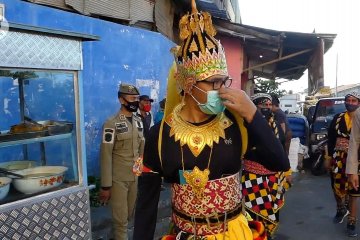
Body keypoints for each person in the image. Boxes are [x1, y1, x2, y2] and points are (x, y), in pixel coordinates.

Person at [133, 1, 289, 239]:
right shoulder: (159, 135)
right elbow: (146, 205)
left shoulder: (236, 124)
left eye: (222, 81)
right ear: (188, 83)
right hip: (184, 233)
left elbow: (279, 162)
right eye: (213, 82)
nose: (221, 89)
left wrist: (251, 114)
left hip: (233, 232)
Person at [241, 93, 291, 238]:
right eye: (264, 105)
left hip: (274, 178)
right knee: (255, 218)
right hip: (253, 179)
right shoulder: (245, 126)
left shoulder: (275, 123)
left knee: (273, 212)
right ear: (254, 107)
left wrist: (286, 171)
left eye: (269, 105)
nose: (267, 108)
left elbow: (281, 147)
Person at [99, 83, 145, 240]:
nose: (135, 102)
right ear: (121, 100)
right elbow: (105, 154)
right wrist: (106, 186)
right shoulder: (111, 124)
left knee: (128, 216)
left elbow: (141, 150)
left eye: (137, 99)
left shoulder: (138, 121)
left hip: (134, 178)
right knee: (121, 221)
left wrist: (139, 173)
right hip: (118, 179)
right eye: (132, 98)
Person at [328, 92, 360, 237]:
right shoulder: (338, 118)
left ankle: (351, 221)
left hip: (356, 159)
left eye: (354, 100)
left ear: (358, 102)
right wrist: (328, 157)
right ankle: (340, 209)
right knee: (336, 185)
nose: (350, 103)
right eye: (348, 100)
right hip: (338, 158)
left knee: (354, 190)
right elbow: (331, 138)